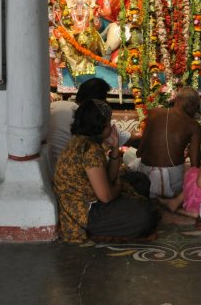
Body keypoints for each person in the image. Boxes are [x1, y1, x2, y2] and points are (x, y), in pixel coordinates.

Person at [53, 99, 159, 243]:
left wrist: (115, 149)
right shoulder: (90, 150)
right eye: (109, 123)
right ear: (99, 126)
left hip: (93, 198)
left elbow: (108, 178)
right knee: (146, 216)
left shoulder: (81, 140)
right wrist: (119, 186)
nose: (111, 126)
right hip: (87, 212)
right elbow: (106, 197)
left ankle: (129, 209)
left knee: (140, 180)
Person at [124, 86, 201, 199]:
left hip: (145, 179)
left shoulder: (154, 112)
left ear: (176, 100)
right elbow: (195, 165)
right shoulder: (194, 126)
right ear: (191, 105)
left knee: (128, 154)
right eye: (196, 108)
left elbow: (139, 153)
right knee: (189, 166)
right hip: (172, 184)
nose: (195, 111)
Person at [47, 77, 131, 169]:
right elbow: (105, 182)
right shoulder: (91, 122)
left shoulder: (57, 105)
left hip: (49, 167)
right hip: (69, 171)